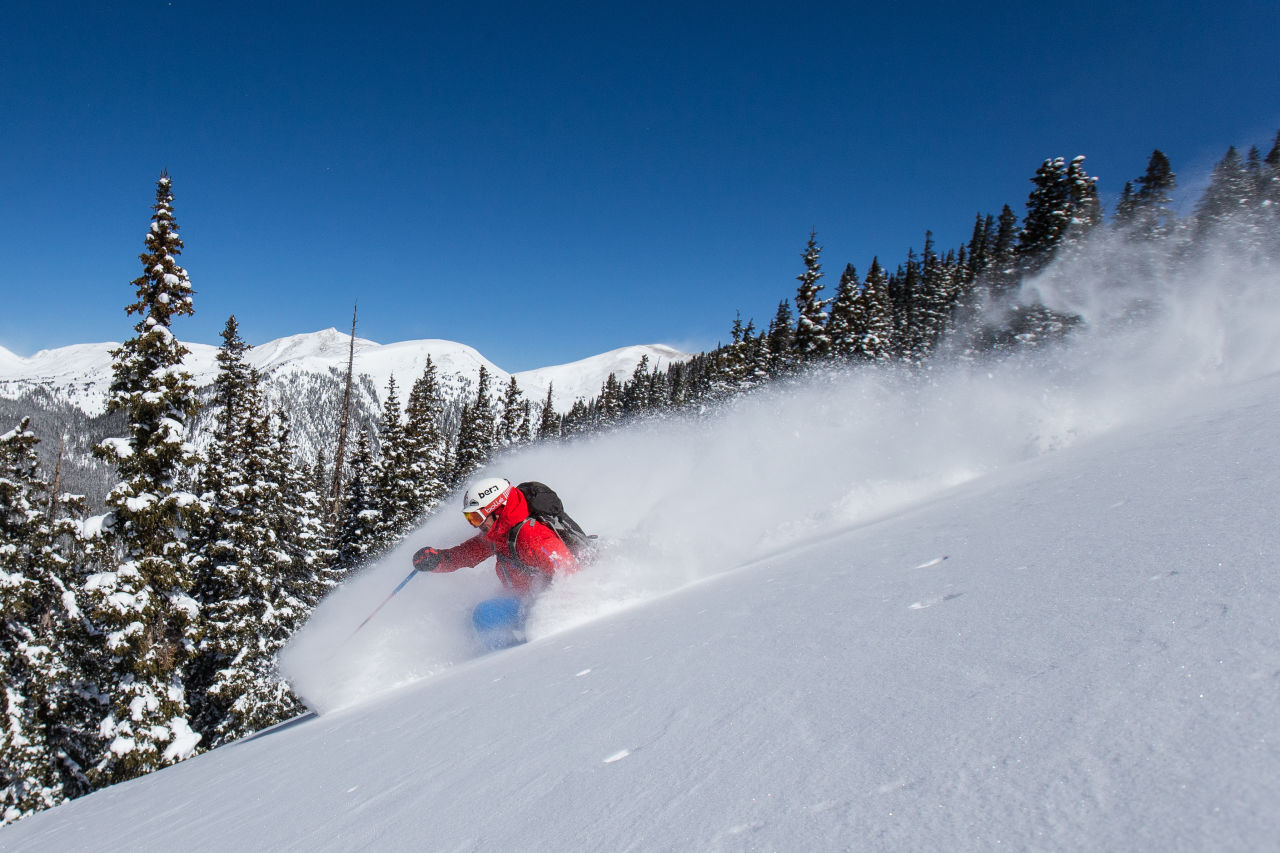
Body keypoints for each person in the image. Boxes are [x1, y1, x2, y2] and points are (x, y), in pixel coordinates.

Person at [412, 477, 577, 650]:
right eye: (469, 518)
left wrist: (547, 613)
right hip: (523, 599)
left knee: (485, 615)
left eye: (476, 517)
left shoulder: (532, 536)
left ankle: (505, 658)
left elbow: (569, 575)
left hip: (542, 604)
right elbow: (468, 553)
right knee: (467, 618)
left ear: (497, 509)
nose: (475, 525)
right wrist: (438, 560)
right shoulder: (499, 534)